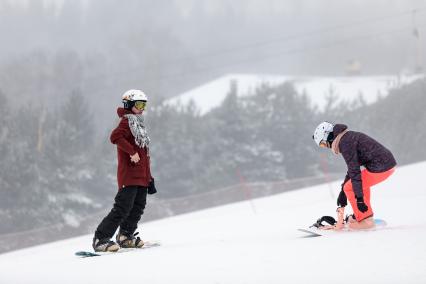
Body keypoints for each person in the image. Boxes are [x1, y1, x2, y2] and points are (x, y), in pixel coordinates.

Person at [92, 89, 157, 252]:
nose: (142, 108)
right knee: (122, 207)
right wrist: (132, 152)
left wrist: (149, 177)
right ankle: (101, 238)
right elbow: (115, 137)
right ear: (129, 105)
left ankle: (126, 235)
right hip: (129, 176)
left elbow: (145, 154)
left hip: (141, 176)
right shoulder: (127, 122)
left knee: (138, 206)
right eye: (139, 104)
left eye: (144, 105)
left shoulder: (138, 124)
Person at [312, 122, 396, 230]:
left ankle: (366, 220)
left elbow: (354, 170)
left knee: (350, 187)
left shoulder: (345, 142)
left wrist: (359, 199)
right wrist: (342, 192)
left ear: (327, 136)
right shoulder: (346, 138)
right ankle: (364, 215)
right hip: (386, 164)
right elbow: (352, 168)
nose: (326, 147)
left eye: (323, 144)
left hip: (381, 166)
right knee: (356, 185)